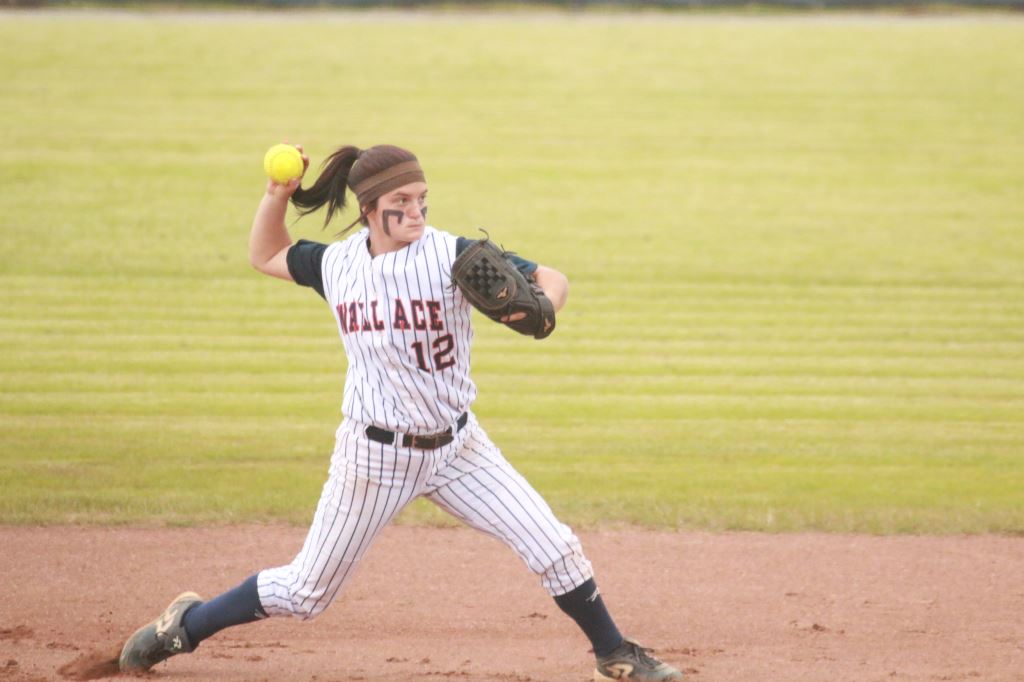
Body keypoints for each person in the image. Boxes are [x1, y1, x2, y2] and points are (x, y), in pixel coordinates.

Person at [118, 143, 683, 681]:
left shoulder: (454, 254)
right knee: (305, 593)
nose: (415, 211)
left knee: (554, 545)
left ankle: (614, 654)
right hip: (373, 459)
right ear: (369, 211)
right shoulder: (335, 265)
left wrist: (543, 304)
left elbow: (551, 279)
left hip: (460, 449)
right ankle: (184, 627)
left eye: (421, 199)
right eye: (400, 204)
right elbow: (264, 254)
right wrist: (277, 195)